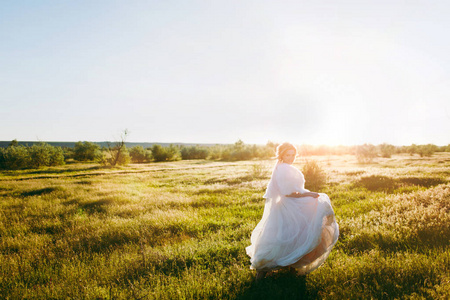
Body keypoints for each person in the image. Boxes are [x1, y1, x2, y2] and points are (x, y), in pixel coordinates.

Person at [246, 142, 339, 280]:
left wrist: (307, 194)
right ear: (282, 155)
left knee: (290, 235)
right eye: (287, 155)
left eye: (293, 155)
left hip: (288, 204)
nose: (291, 157)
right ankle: (264, 270)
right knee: (284, 236)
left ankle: (288, 266)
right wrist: (309, 194)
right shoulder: (283, 169)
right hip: (288, 205)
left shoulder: (283, 167)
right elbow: (287, 193)